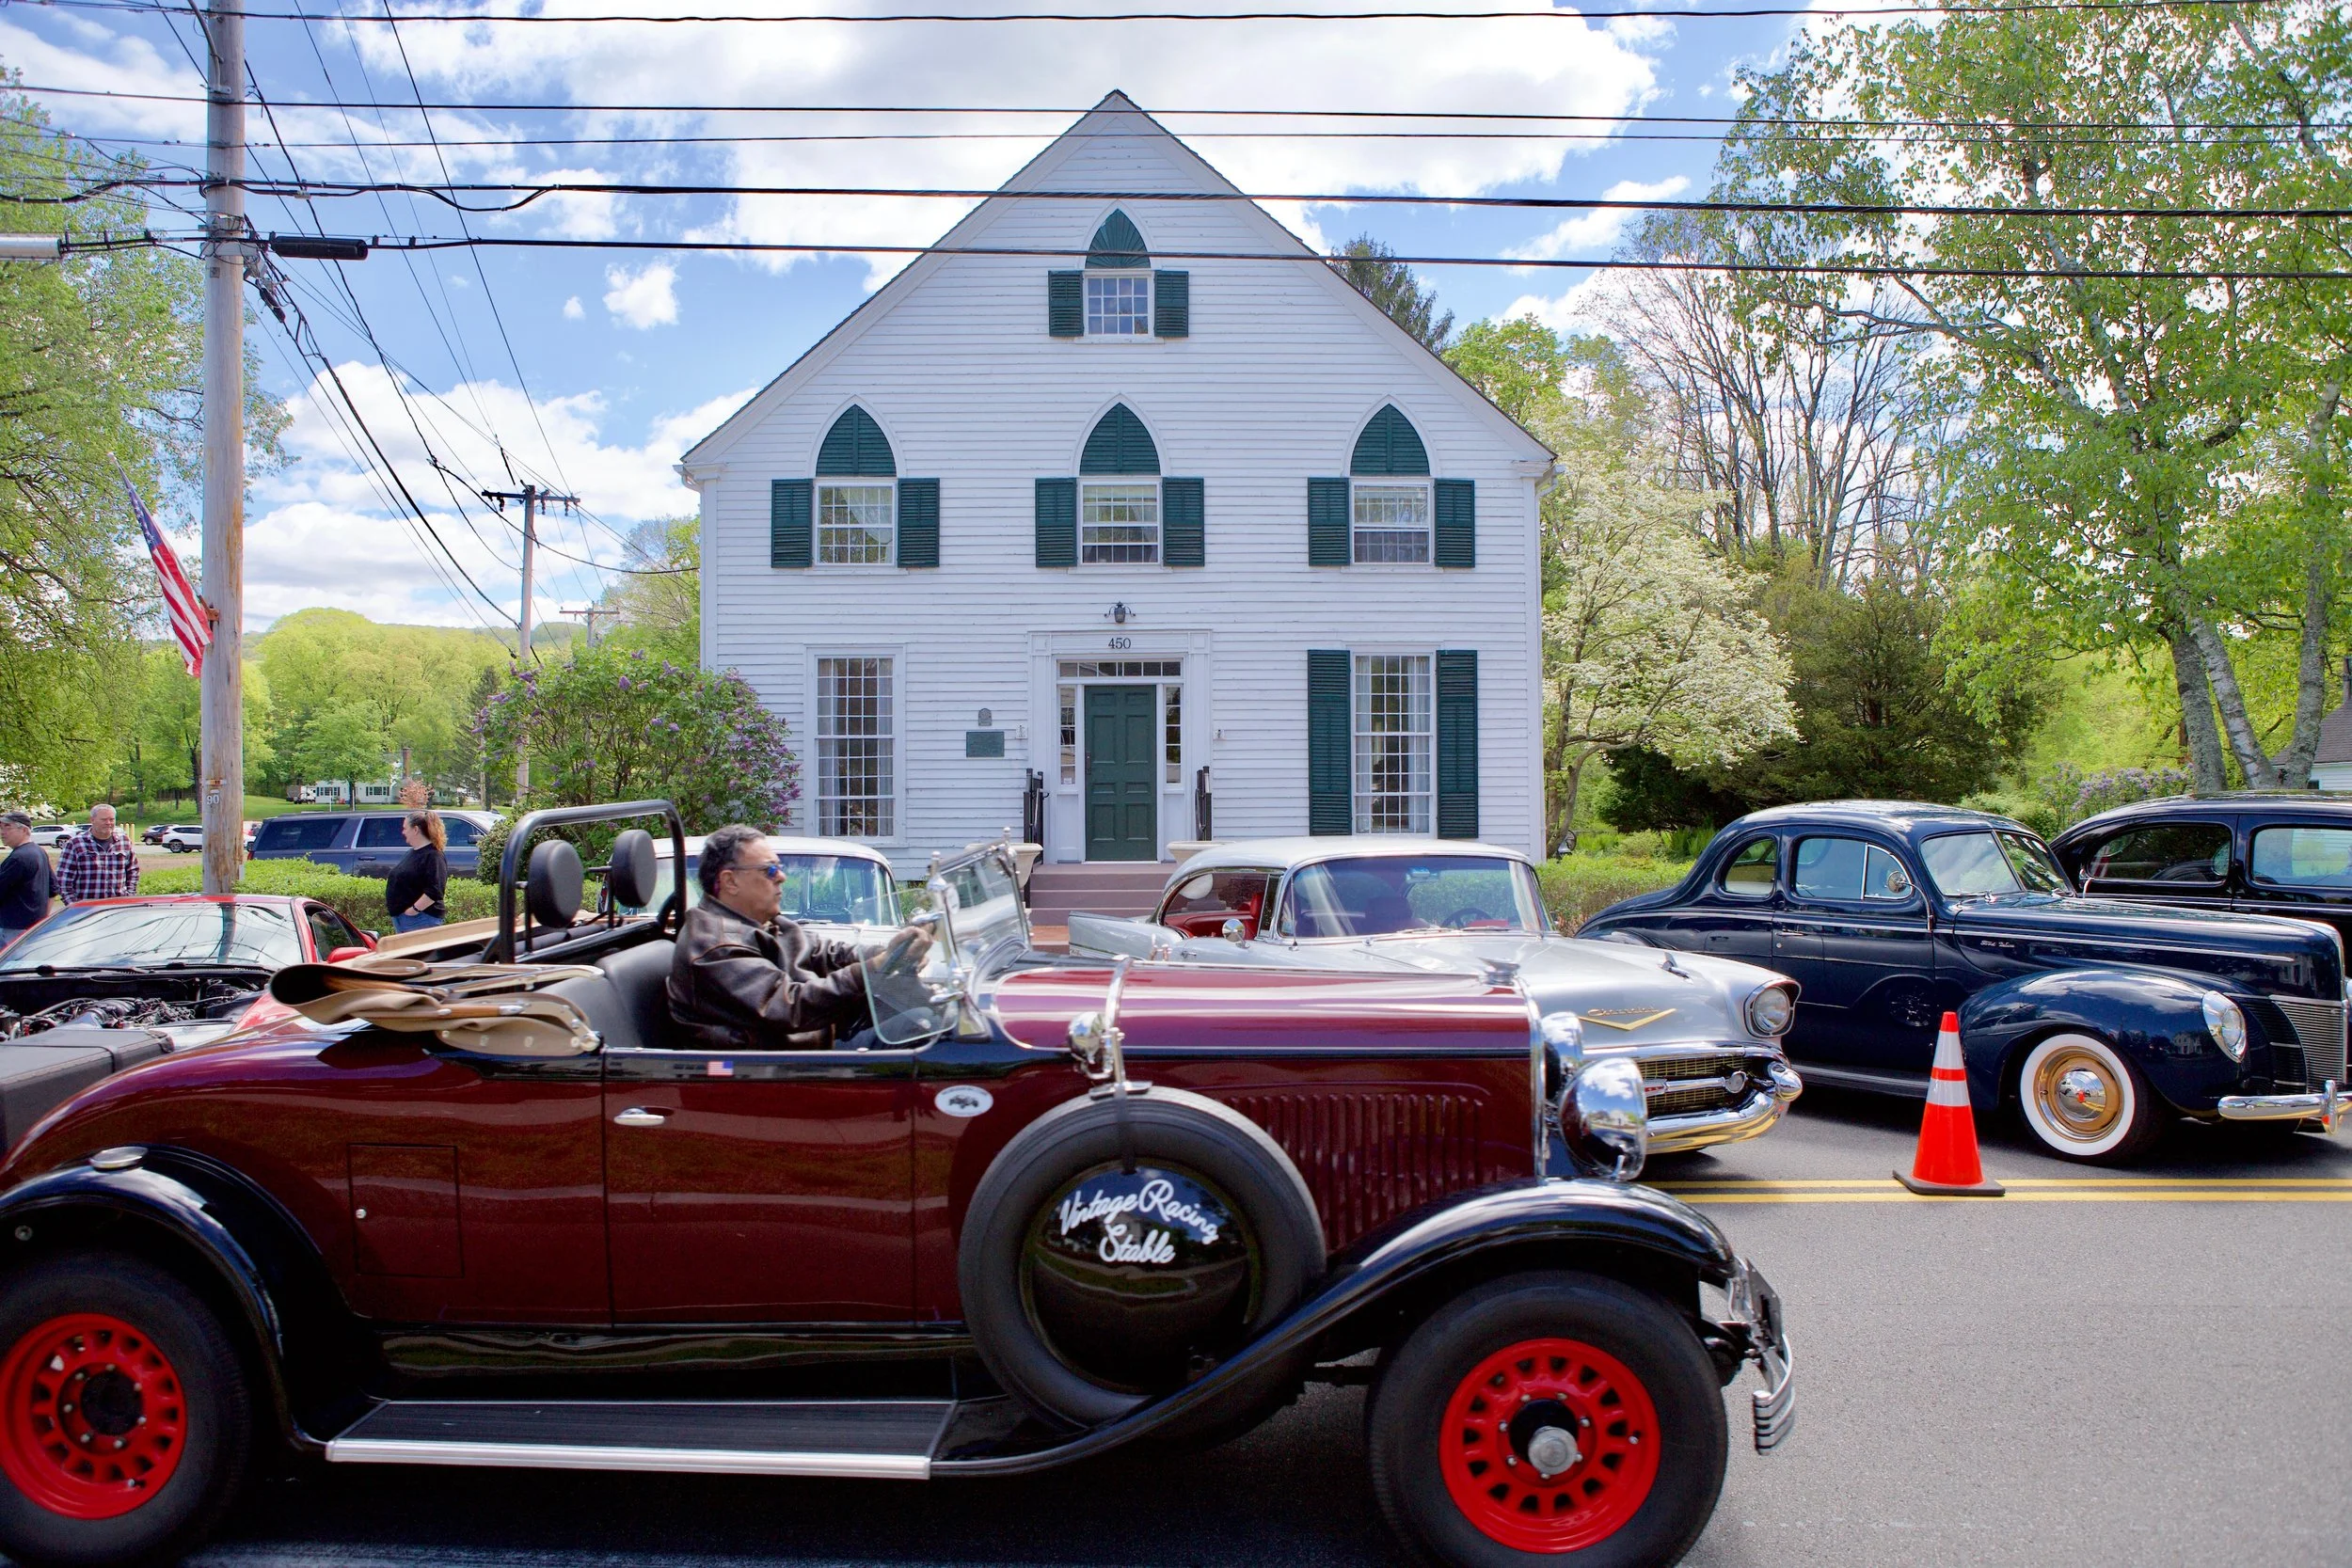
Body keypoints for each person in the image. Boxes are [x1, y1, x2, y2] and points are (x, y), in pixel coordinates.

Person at [668, 823, 932, 1050]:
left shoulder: (764, 923)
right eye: (769, 870)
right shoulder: (716, 945)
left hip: (818, 1038)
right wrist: (871, 969)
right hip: (782, 1068)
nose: (781, 877)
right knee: (928, 1033)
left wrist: (890, 952)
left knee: (931, 1013)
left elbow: (827, 953)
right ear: (730, 882)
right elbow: (789, 1005)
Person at [56, 804, 138, 906]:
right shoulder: (76, 844)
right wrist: (74, 906)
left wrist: (129, 897)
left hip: (117, 908)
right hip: (86, 910)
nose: (108, 823)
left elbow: (133, 872)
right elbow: (63, 880)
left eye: (111, 819)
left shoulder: (124, 842)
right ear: (92, 820)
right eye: (103, 820)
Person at [384, 811, 448, 933]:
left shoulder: (434, 856)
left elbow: (435, 891)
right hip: (404, 918)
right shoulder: (412, 852)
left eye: (405, 828)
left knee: (421, 953)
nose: (403, 832)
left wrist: (413, 910)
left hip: (421, 919)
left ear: (416, 830)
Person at [0, 813, 54, 948]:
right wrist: (42, 920)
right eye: (1, 827)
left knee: (10, 966)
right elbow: (53, 890)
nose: (2, 832)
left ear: (24, 830)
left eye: (7, 827)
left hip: (13, 927)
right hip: (34, 927)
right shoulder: (38, 851)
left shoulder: (19, 858)